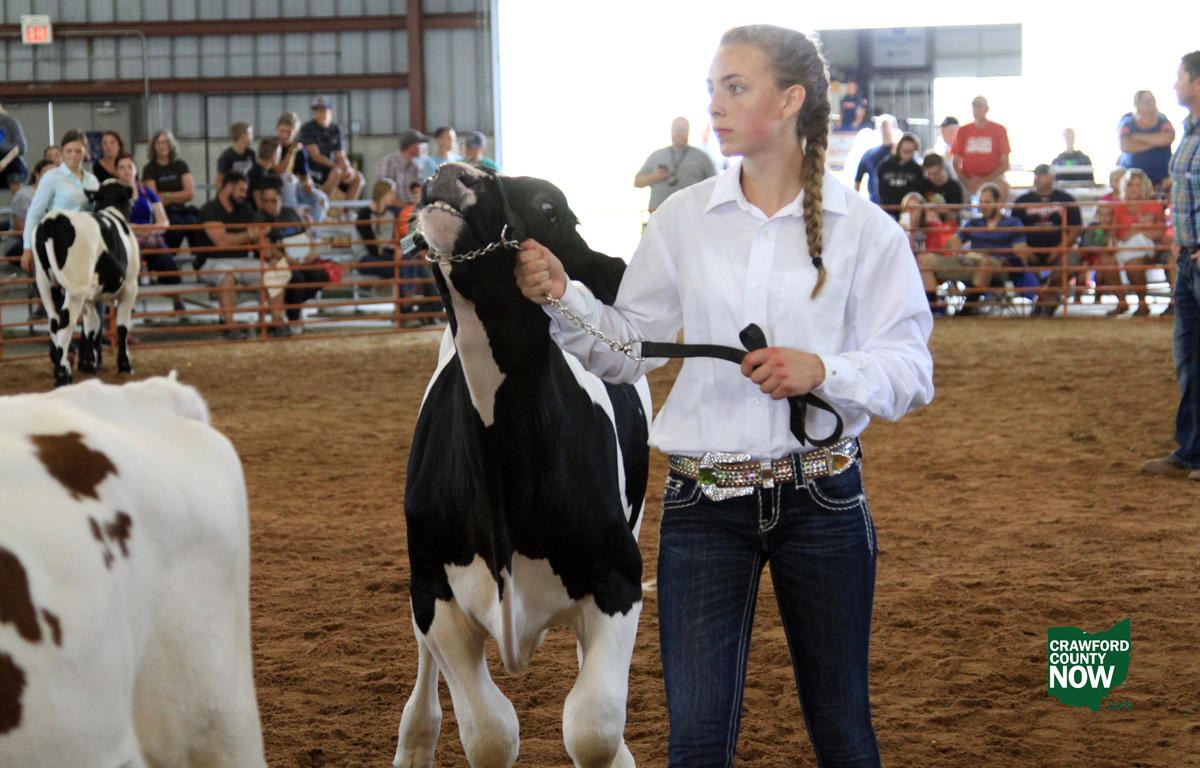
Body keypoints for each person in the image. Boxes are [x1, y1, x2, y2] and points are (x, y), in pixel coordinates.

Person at [514, 24, 933, 767]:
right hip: (702, 507)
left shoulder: (867, 231)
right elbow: (630, 350)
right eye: (712, 88)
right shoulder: (682, 219)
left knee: (843, 732)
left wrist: (824, 370)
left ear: (792, 99)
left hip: (825, 503)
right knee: (698, 743)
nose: (715, 103)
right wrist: (562, 296)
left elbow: (910, 368)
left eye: (735, 87)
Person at [1141, 51, 1200, 482]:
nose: (1175, 84)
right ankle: (1192, 450)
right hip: (1189, 258)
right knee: (1189, 358)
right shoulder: (1188, 132)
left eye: (1180, 77)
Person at [193, 170, 276, 339]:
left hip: (242, 260)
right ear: (228, 187)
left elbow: (258, 235)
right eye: (241, 190)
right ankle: (230, 325)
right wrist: (249, 234)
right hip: (211, 261)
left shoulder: (245, 209)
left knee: (274, 272)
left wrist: (271, 256)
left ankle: (277, 321)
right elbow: (221, 242)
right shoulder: (209, 209)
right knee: (226, 273)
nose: (244, 195)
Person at [254, 174, 329, 335]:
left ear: (280, 199)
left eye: (273, 201)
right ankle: (294, 320)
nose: (269, 205)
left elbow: (306, 234)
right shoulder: (259, 218)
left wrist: (312, 252)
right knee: (297, 278)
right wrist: (286, 259)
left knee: (321, 275)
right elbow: (265, 246)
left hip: (300, 258)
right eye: (265, 201)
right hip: (279, 262)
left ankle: (291, 308)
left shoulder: (291, 213)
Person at [20, 130, 100, 274]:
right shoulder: (51, 177)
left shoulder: (92, 180)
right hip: (58, 240)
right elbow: (34, 213)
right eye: (69, 151)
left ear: (85, 152)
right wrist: (27, 248)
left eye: (78, 151)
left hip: (87, 240)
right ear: (63, 151)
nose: (74, 155)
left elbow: (95, 212)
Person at [943, 182, 1033, 312]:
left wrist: (1006, 260)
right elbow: (952, 241)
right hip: (972, 263)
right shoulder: (974, 223)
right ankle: (934, 310)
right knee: (927, 260)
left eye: (987, 202)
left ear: (998, 202)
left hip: (998, 266)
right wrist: (956, 245)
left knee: (986, 263)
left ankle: (966, 311)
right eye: (981, 202)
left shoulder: (1013, 223)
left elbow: (1021, 254)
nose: (983, 206)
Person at [113, 152, 185, 312]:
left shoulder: (148, 193)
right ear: (116, 171)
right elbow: (113, 221)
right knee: (127, 266)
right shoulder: (112, 195)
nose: (126, 171)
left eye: (129, 167)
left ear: (135, 169)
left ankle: (177, 300)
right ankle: (125, 305)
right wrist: (133, 229)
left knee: (167, 263)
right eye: (121, 167)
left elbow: (164, 221)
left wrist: (150, 230)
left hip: (150, 239)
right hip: (125, 240)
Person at [1011, 164, 1083, 315]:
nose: (1037, 179)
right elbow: (1013, 229)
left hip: (1060, 250)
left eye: (1042, 175)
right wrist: (1025, 248)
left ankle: (1045, 298)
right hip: (1029, 250)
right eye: (1036, 175)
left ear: (1052, 178)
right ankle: (1043, 298)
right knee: (1017, 258)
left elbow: (1076, 229)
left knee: (1070, 260)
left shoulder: (1066, 199)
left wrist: (1060, 248)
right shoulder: (1022, 200)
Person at [1108, 168, 1170, 316]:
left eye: (1138, 185)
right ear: (1125, 187)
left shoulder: (1154, 205)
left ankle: (1142, 303)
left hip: (1146, 247)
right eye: (1130, 185)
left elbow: (1161, 232)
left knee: (1133, 265)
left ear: (1144, 187)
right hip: (1122, 246)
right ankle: (1122, 302)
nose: (1134, 188)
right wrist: (1112, 243)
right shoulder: (1119, 206)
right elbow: (1112, 232)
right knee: (1105, 262)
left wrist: (1137, 232)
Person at [633, 117, 718, 212]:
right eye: (676, 128)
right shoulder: (657, 155)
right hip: (659, 213)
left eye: (683, 129)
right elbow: (637, 182)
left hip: (691, 213)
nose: (679, 132)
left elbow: (715, 186)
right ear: (671, 130)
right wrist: (654, 177)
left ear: (688, 131)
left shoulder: (702, 157)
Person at [142, 129, 204, 256]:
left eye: (165, 142)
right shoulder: (149, 168)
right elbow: (155, 198)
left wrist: (167, 195)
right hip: (164, 212)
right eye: (158, 143)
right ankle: (170, 257)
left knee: (194, 222)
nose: (162, 146)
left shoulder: (180, 165)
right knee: (177, 224)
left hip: (182, 210)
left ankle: (198, 259)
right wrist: (179, 195)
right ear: (154, 147)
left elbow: (190, 194)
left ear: (171, 144)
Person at [299, 96, 364, 202]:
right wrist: (336, 166)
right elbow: (316, 156)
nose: (320, 114)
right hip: (314, 170)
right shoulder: (308, 129)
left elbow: (340, 154)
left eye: (323, 110)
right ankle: (322, 205)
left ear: (331, 112)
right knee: (336, 173)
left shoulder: (336, 129)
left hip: (331, 168)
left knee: (357, 177)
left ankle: (348, 209)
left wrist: (347, 168)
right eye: (317, 111)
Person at [273, 112, 330, 223]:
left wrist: (308, 183)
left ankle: (311, 230)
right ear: (277, 129)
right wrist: (291, 152)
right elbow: (280, 171)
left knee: (321, 199)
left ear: (295, 133)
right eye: (282, 131)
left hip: (294, 190)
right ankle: (291, 221)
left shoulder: (300, 150)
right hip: (275, 188)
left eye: (288, 132)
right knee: (288, 179)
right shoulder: (272, 146)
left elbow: (305, 175)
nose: (284, 135)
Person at [951, 96, 1011, 198]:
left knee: (1003, 187)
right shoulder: (962, 131)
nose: (976, 110)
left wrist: (986, 180)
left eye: (980, 106)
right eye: (974, 106)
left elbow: (1005, 163)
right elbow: (955, 163)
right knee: (953, 187)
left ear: (987, 109)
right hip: (967, 179)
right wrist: (967, 180)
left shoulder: (999, 130)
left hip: (993, 179)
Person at [1118, 90, 1175, 192]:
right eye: (1146, 100)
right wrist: (1155, 142)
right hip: (1134, 182)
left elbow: (1167, 139)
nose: (1151, 103)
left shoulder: (1163, 120)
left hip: (1162, 179)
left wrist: (1138, 137)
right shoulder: (1127, 122)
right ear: (1137, 103)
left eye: (1152, 100)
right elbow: (1125, 146)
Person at [4, 159, 54, 258]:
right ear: (37, 175)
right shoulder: (24, 195)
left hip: (46, 239)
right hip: (20, 243)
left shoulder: (56, 196)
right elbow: (21, 227)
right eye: (47, 174)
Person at [876, 132, 923, 218]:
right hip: (888, 210)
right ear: (899, 149)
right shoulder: (885, 166)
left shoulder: (917, 169)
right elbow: (881, 191)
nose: (908, 155)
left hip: (909, 210)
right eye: (905, 151)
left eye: (912, 152)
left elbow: (918, 191)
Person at [853, 113, 897, 205]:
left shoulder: (901, 153)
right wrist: (856, 203)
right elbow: (857, 181)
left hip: (896, 204)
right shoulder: (870, 155)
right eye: (881, 127)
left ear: (894, 128)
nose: (884, 130)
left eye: (887, 127)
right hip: (875, 203)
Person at [918, 153, 965, 221]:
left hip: (948, 223)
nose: (932, 177)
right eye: (928, 173)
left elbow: (955, 217)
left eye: (935, 173)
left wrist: (945, 210)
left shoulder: (954, 187)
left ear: (943, 168)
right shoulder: (922, 184)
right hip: (926, 221)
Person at [216, 122, 256, 189]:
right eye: (250, 133)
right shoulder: (226, 157)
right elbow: (218, 182)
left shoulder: (251, 153)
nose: (252, 136)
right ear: (242, 135)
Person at [0, 104, 29, 193]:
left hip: (10, 160)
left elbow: (21, 147)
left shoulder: (10, 122)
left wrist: (3, 163)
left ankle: (19, 199)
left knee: (16, 167)